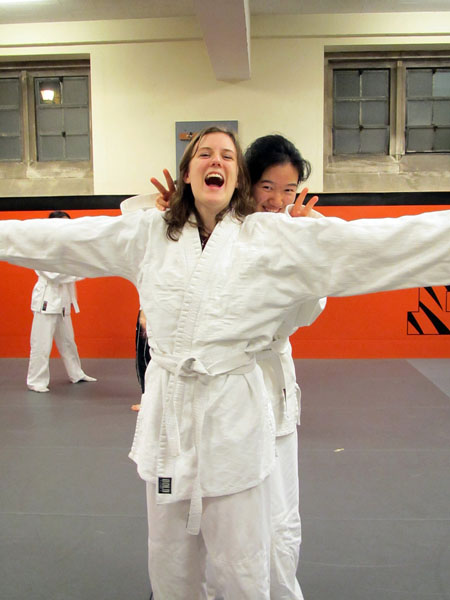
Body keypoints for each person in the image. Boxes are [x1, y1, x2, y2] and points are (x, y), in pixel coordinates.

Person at [0, 127, 449, 600]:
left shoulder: (271, 238)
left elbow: (381, 244)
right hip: (170, 417)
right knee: (169, 552)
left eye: (228, 156)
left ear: (237, 178)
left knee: (240, 557)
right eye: (205, 154)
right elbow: (59, 239)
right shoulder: (147, 232)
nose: (216, 160)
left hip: (234, 415)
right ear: (188, 171)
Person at [144, 134, 326, 599]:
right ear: (248, 183)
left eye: (289, 190)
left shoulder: (292, 230)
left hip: (265, 382)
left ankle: (277, 590)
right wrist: (178, 210)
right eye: (268, 187)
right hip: (215, 390)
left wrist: (303, 251)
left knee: (278, 515)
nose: (278, 201)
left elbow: (305, 313)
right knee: (207, 516)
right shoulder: (223, 226)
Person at [26, 210, 97, 393]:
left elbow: (70, 272)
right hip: (46, 302)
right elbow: (54, 275)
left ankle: (76, 373)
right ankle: (36, 381)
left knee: (68, 342)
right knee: (41, 344)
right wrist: (81, 272)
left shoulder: (68, 248)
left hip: (63, 303)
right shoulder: (41, 247)